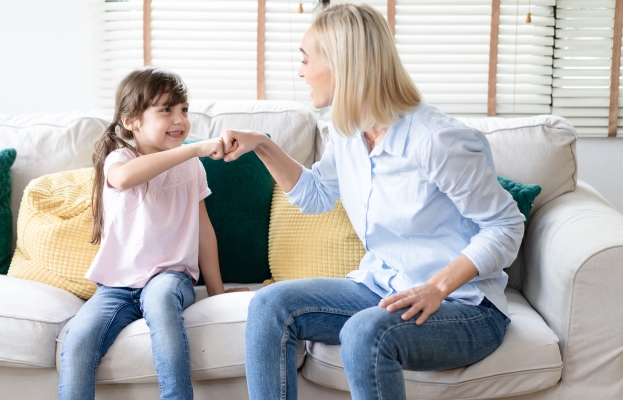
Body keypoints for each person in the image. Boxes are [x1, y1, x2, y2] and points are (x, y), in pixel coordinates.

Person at [220, 4, 525, 400]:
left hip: (463, 305)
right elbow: (315, 196)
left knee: (365, 331)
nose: (300, 72)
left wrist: (435, 287)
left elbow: (505, 226)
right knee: (269, 305)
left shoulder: (436, 140)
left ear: (341, 64)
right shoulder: (349, 135)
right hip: (383, 287)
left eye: (305, 59)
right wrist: (262, 145)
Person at [59, 67, 245, 400]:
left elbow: (204, 231)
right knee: (77, 341)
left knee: (160, 301)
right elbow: (125, 178)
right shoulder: (120, 159)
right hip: (116, 286)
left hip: (169, 277)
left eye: (184, 110)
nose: (180, 119)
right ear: (131, 120)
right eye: (166, 110)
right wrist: (194, 148)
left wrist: (216, 293)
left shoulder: (192, 167)